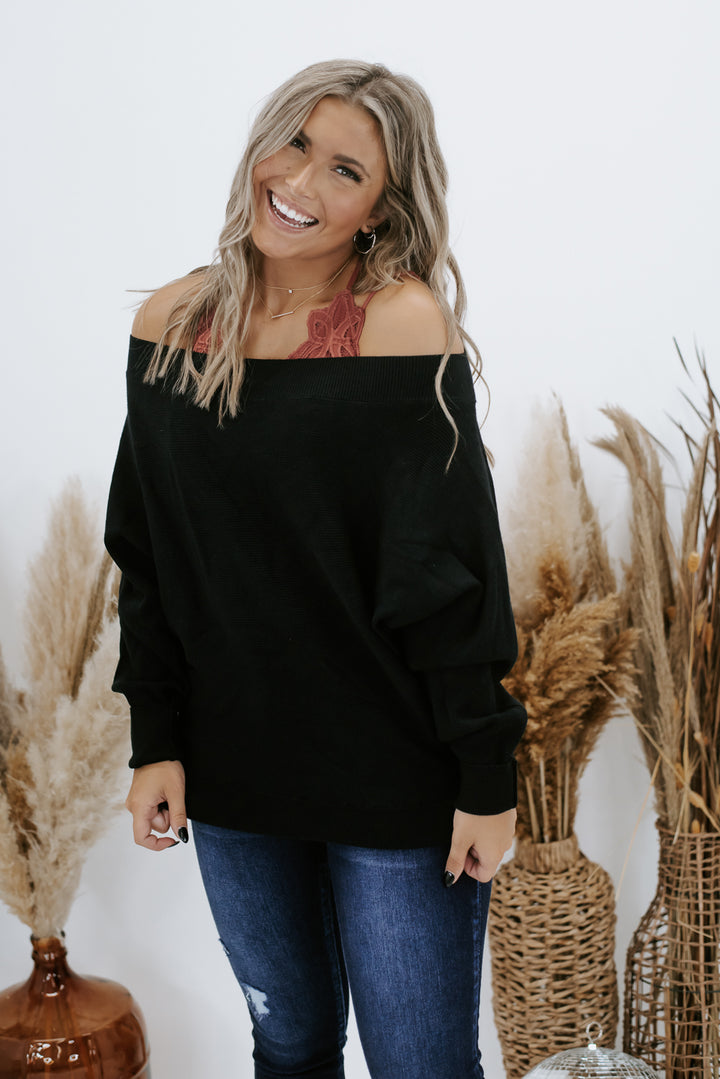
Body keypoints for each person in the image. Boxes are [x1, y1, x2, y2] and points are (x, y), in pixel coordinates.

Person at [105, 59, 526, 1079]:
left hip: (393, 769)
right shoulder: (172, 324)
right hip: (234, 766)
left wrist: (484, 777)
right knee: (289, 1045)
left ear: (381, 207)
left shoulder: (403, 323)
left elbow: (450, 571)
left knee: (419, 1062)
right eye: (295, 143)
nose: (299, 182)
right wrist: (156, 740)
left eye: (345, 170)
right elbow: (149, 552)